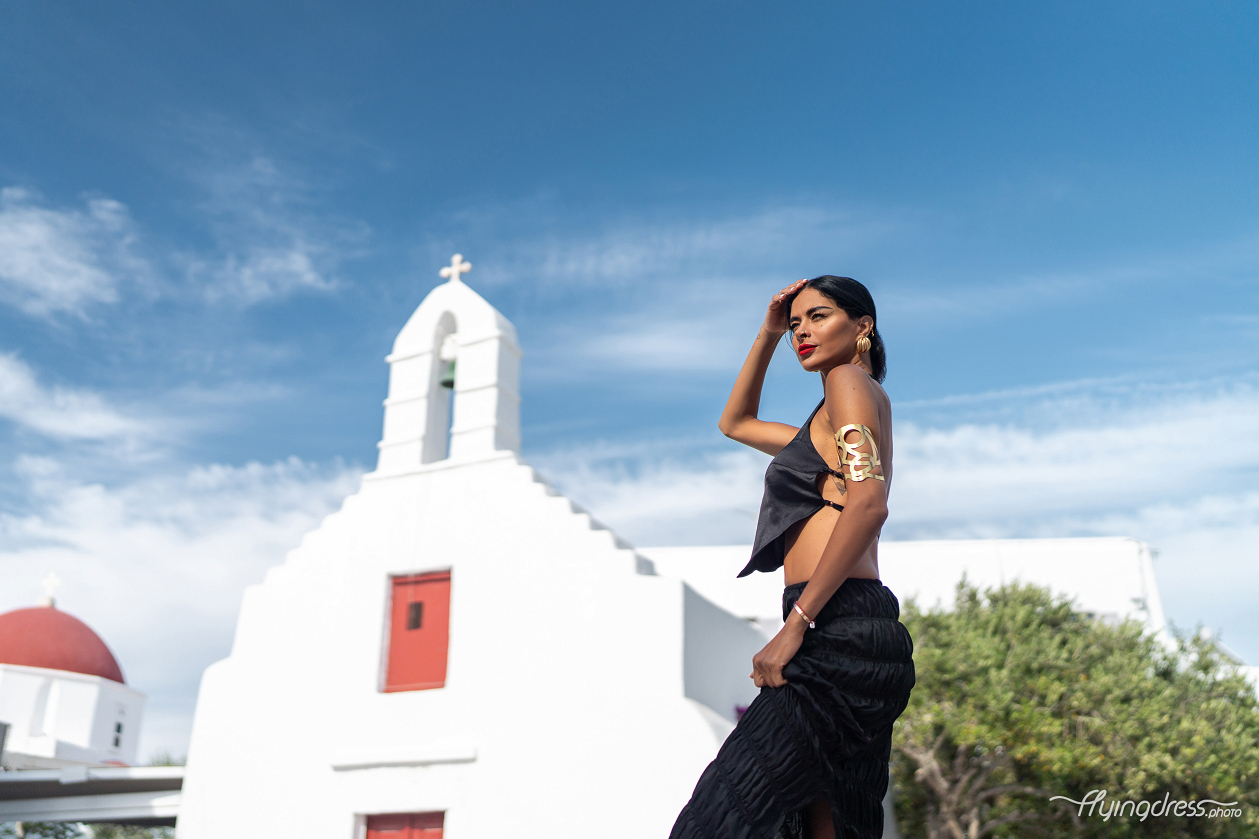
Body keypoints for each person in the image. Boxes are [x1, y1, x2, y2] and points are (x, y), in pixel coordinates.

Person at [669, 276, 915, 839]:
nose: (802, 332)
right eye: (797, 323)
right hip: (844, 627)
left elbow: (868, 502)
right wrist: (767, 333)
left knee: (720, 819)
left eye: (819, 317)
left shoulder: (848, 381)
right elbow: (735, 423)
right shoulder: (821, 424)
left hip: (836, 626)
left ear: (862, 327)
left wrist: (797, 624)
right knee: (821, 826)